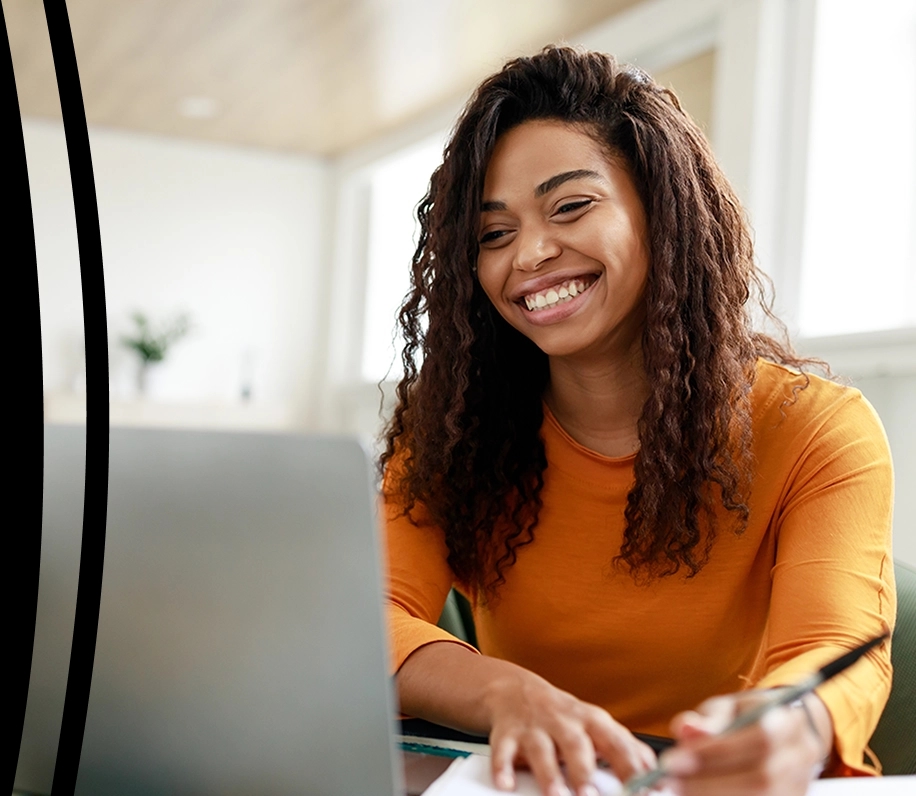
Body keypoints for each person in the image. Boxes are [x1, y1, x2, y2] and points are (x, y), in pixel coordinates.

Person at [380, 46, 895, 796]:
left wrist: (798, 726)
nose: (531, 253)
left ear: (663, 210)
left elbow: (835, 648)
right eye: (493, 235)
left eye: (571, 206)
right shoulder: (452, 434)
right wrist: (506, 693)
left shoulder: (818, 431)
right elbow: (368, 623)